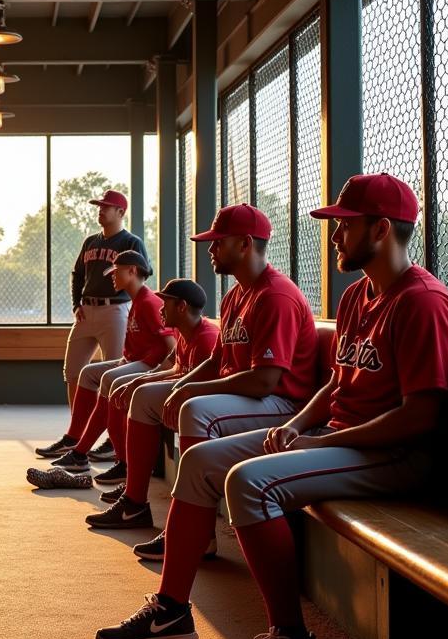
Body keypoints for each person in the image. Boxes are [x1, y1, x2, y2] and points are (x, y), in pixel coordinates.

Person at [96, 175, 448, 639]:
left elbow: (420, 417)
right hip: (343, 436)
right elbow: (339, 380)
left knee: (250, 482)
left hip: (396, 454)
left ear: (381, 229)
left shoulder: (421, 301)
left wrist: (321, 442)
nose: (334, 236)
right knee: (202, 465)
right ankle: (172, 610)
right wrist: (295, 426)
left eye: (345, 225)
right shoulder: (360, 294)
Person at [96, 205, 318, 557]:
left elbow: (264, 381)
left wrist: (191, 389)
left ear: (245, 244)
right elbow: (217, 360)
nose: (211, 250)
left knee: (197, 409)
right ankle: (135, 502)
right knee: (146, 397)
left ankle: (195, 535)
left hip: (280, 404)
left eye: (219, 243)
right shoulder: (235, 295)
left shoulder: (275, 295)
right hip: (246, 398)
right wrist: (182, 384)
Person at [28, 251, 174, 488]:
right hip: (134, 361)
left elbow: (171, 347)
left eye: (117, 272)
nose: (112, 277)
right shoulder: (135, 300)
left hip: (151, 365)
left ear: (133, 271)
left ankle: (118, 460)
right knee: (87, 373)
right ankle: (77, 448)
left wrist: (154, 374)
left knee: (110, 380)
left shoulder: (149, 301)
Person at [87, 279, 219, 520]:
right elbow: (172, 367)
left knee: (142, 396)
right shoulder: (185, 333)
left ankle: (139, 501)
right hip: (186, 396)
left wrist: (143, 383)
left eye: (166, 303)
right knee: (136, 390)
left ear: (181, 306)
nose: (160, 307)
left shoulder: (206, 337)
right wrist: (140, 380)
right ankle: (132, 490)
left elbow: (196, 383)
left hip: (206, 406)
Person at [60, 189, 150, 414]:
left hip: (116, 310)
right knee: (72, 371)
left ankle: (112, 434)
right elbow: (78, 274)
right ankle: (76, 431)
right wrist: (75, 303)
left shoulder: (131, 241)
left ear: (121, 212)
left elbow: (144, 272)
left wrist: (134, 305)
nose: (100, 210)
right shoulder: (90, 241)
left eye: (105, 207)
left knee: (115, 374)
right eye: (99, 206)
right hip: (86, 310)